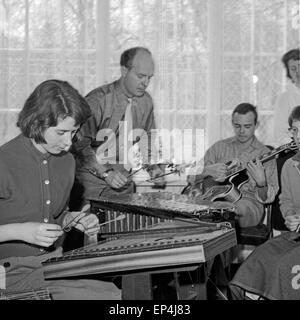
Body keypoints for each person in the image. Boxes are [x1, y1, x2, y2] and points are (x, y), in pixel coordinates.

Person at [0, 79, 121, 300]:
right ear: (37, 122)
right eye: (61, 132)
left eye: (73, 133)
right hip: (8, 275)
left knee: (116, 292)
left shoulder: (66, 162)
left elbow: (55, 215)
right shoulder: (4, 162)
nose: (68, 143)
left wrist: (72, 219)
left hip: (53, 265)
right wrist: (20, 231)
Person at [71, 47, 165, 206]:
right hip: (90, 183)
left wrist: (152, 167)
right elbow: (80, 144)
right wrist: (106, 173)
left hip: (124, 182)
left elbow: (147, 138)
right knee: (90, 227)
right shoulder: (97, 100)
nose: (146, 83)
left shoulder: (146, 101)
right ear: (124, 71)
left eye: (149, 78)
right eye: (140, 76)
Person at [230, 105, 300, 300]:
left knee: (283, 265)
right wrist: (289, 216)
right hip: (294, 235)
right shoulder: (288, 165)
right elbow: (285, 200)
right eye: (295, 130)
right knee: (258, 259)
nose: (299, 137)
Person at [188, 103, 278, 228]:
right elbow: (190, 177)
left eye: (247, 126)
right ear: (232, 123)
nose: (241, 131)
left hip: (248, 203)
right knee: (192, 212)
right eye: (237, 126)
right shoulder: (219, 147)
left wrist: (261, 183)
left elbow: (268, 199)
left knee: (226, 214)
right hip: (214, 200)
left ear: (256, 125)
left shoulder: (265, 154)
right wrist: (207, 170)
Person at [273, 48, 300, 146]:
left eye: (299, 66)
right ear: (288, 73)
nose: (298, 71)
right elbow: (280, 133)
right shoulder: (284, 98)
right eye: (293, 68)